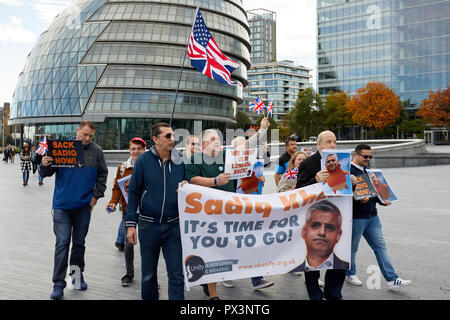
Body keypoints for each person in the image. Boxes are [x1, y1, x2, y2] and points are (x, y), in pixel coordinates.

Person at [186, 118, 273, 300]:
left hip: (229, 214)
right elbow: (193, 180)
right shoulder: (195, 159)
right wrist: (215, 181)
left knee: (231, 248)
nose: (216, 142)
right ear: (202, 144)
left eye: (218, 139)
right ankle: (213, 295)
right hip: (207, 216)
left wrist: (262, 131)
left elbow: (247, 147)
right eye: (211, 139)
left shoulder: (226, 155)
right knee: (211, 254)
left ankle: (240, 276)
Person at [40, 120, 108, 300]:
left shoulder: (96, 151)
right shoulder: (62, 148)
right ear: (77, 130)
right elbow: (45, 173)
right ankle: (58, 284)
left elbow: (103, 174)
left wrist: (96, 197)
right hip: (62, 206)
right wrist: (44, 164)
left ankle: (77, 277)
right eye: (84, 134)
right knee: (62, 243)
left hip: (83, 207)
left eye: (90, 136)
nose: (87, 138)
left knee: (79, 243)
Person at [126, 123, 186, 300]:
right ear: (155, 139)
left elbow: (188, 184)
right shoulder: (143, 161)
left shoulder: (180, 159)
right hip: (148, 226)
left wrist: (186, 185)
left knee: (177, 276)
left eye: (173, 135)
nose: (172, 139)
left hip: (174, 226)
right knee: (148, 275)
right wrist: (131, 225)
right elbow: (134, 193)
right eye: (167, 136)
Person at [295, 130, 356, 300]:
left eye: (335, 141)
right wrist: (315, 180)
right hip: (315, 216)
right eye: (329, 141)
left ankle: (333, 293)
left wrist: (354, 182)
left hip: (339, 215)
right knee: (313, 260)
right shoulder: (308, 163)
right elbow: (299, 190)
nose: (333, 145)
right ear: (319, 144)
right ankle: (315, 295)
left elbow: (348, 189)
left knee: (340, 258)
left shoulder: (343, 163)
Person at [346, 144, 412, 289]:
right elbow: (342, 194)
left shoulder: (369, 171)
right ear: (355, 155)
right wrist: (355, 198)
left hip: (372, 216)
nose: (368, 159)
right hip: (356, 216)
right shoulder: (347, 171)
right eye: (365, 156)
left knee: (380, 247)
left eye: (370, 156)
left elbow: (374, 191)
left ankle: (392, 279)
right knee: (352, 248)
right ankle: (349, 273)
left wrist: (382, 201)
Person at [106, 137, 146, 286]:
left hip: (147, 211)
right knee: (129, 243)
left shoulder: (150, 165)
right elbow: (117, 188)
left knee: (148, 244)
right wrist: (112, 202)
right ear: (130, 150)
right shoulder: (122, 167)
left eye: (139, 148)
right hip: (128, 210)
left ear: (144, 149)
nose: (136, 151)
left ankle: (150, 276)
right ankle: (129, 273)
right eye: (133, 149)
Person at [297, 200, 349, 271]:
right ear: (304, 231)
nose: (322, 232)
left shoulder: (344, 265)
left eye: (329, 227)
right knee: (311, 278)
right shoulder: (291, 268)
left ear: (338, 235)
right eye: (315, 225)